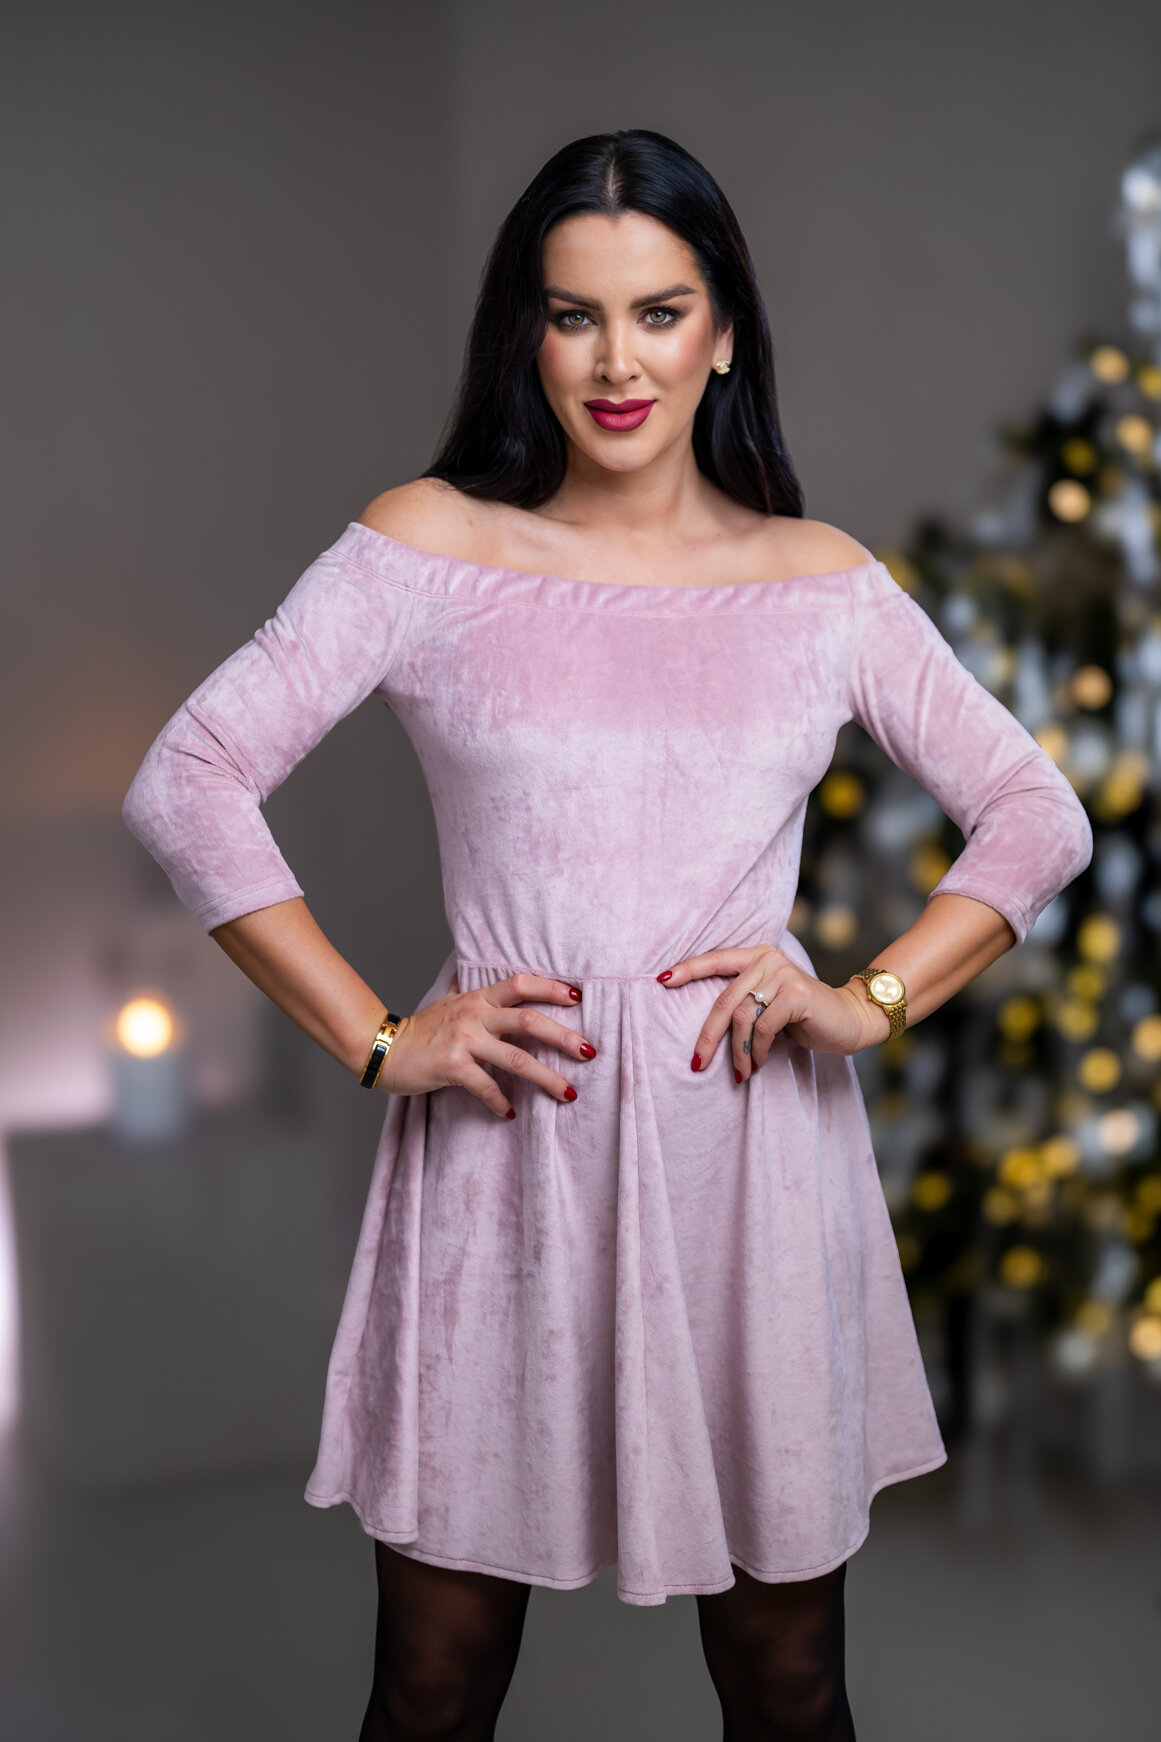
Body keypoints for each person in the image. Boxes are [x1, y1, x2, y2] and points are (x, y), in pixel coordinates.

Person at [122, 128, 1093, 1741]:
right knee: (432, 1689)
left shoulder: (817, 582)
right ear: (528, 334)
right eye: (572, 315)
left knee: (787, 1689)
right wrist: (378, 1033)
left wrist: (867, 997)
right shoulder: (428, 545)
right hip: (500, 1156)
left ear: (723, 333)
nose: (615, 361)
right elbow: (192, 776)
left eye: (657, 311)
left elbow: (1034, 813)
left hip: (746, 1169)